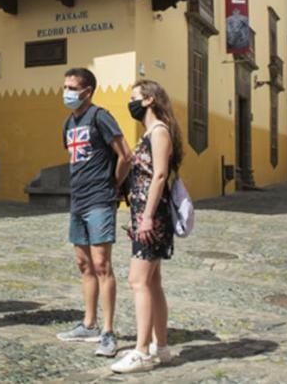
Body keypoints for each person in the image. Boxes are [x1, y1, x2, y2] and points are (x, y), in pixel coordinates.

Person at [56, 67, 132, 357]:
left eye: (72, 87)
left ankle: (108, 332)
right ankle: (88, 324)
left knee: (102, 265)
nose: (67, 93)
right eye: (65, 87)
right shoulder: (68, 123)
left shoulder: (100, 116)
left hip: (100, 200)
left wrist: (113, 184)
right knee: (83, 265)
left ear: (88, 91)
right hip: (78, 200)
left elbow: (126, 154)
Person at [111, 79, 180, 374]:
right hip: (145, 216)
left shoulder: (159, 131)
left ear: (150, 99)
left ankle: (141, 352)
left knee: (137, 281)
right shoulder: (149, 133)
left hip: (153, 218)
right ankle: (160, 347)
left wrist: (147, 217)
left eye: (134, 97)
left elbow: (160, 176)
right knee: (152, 282)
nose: (131, 102)